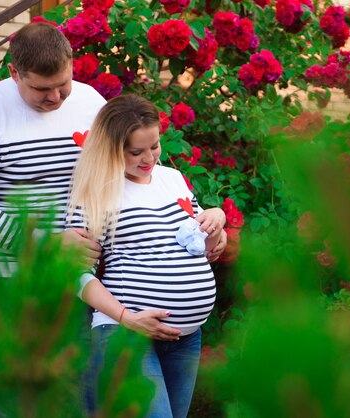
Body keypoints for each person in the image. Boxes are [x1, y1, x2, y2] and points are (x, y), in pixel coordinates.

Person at [0, 22, 107, 417]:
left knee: (79, 398)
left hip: (82, 282)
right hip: (12, 285)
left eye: (63, 84)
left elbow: (127, 172)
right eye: (41, 89)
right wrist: (50, 244)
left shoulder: (90, 102)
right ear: (14, 73)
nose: (55, 97)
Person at [68, 94, 226, 418]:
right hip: (127, 333)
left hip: (186, 336)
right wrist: (127, 317)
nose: (148, 158)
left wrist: (217, 222)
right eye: (135, 151)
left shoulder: (171, 179)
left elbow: (199, 243)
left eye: (153, 145)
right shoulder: (96, 191)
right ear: (111, 148)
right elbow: (73, 274)